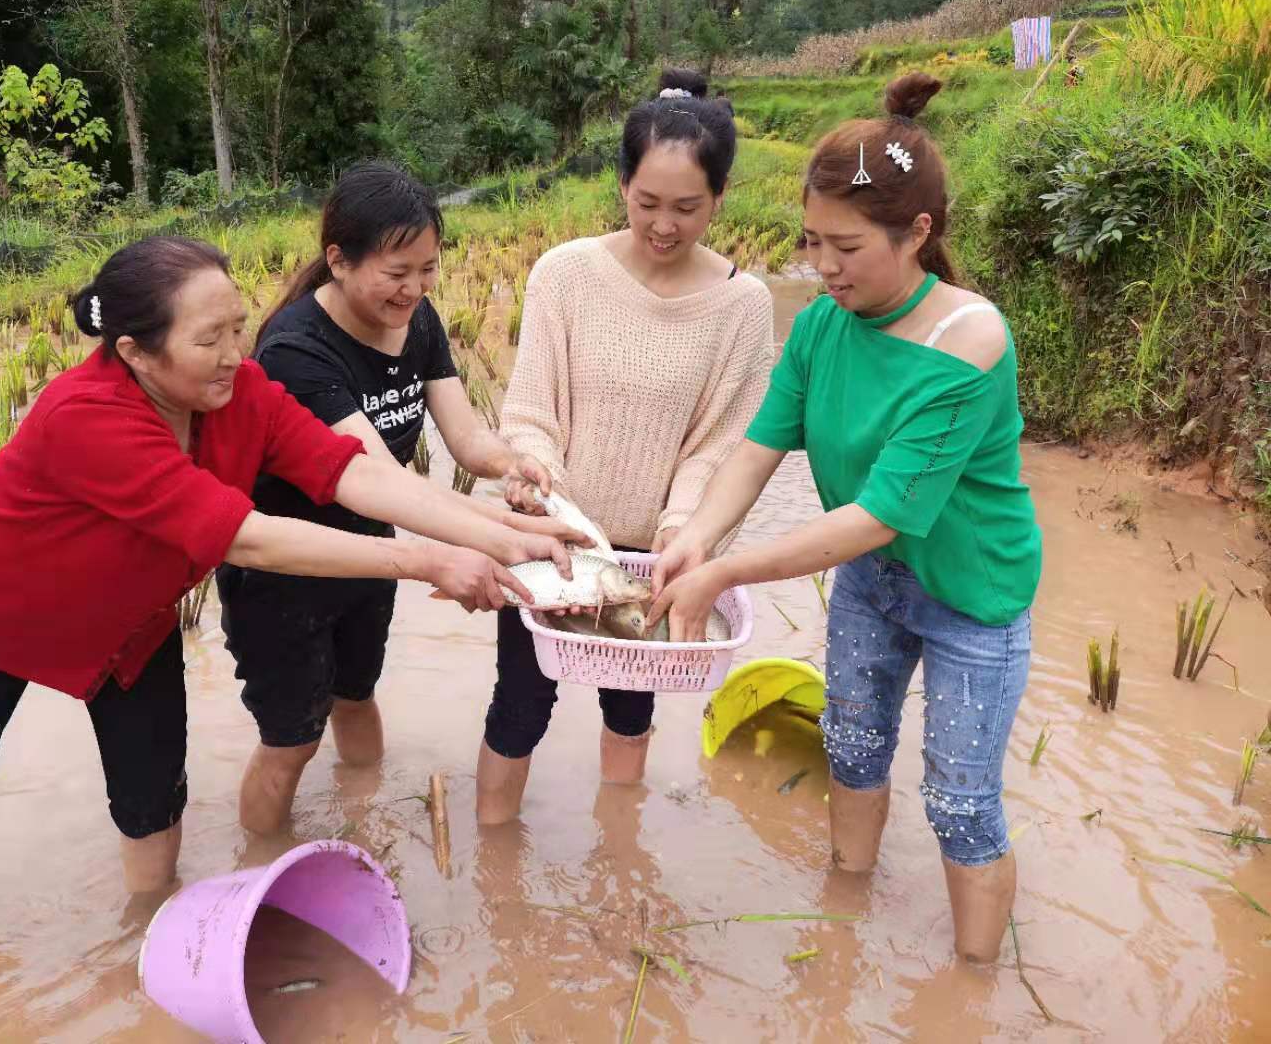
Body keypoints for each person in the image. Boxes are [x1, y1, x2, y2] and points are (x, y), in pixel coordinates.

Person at [0, 236, 581, 938]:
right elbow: (247, 536)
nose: (234, 354)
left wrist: (504, 534)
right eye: (209, 339)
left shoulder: (240, 393)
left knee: (153, 794)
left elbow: (354, 474)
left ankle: (150, 941)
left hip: (126, 624)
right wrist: (426, 562)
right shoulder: (86, 417)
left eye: (239, 329)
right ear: (134, 353)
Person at [648, 73, 1042, 962]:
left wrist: (727, 572)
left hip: (972, 598)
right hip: (874, 584)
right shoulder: (826, 323)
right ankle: (844, 920)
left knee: (961, 803)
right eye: (810, 241)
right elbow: (757, 450)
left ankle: (974, 991)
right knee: (853, 748)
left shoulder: (968, 343)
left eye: (846, 246)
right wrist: (696, 538)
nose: (821, 267)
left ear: (918, 235)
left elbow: (875, 515)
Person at [220, 163, 567, 834]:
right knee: (291, 741)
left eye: (428, 270)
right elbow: (378, 476)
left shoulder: (420, 320)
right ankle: (259, 867)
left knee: (356, 695)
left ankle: (363, 823)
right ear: (338, 261)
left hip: (373, 557)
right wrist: (482, 545)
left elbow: (465, 437)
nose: (414, 289)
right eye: (396, 272)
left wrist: (512, 464)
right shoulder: (296, 351)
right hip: (288, 571)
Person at [476, 68, 775, 824]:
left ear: (721, 197)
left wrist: (678, 531)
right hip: (553, 542)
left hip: (653, 557)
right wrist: (542, 482)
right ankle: (494, 866)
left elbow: (720, 444)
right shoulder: (565, 275)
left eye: (688, 207)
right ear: (621, 186)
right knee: (519, 703)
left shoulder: (744, 306)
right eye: (647, 204)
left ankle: (620, 853)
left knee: (631, 709)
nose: (665, 226)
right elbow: (532, 408)